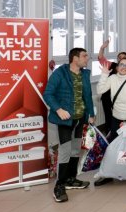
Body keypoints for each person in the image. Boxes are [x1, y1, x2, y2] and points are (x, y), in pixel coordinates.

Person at [43, 48, 95, 202]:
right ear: (74, 58)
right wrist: (58, 109)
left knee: (75, 149)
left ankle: (71, 179)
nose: (87, 58)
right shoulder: (60, 73)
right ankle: (59, 186)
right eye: (85, 56)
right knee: (65, 151)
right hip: (65, 120)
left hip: (80, 118)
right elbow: (48, 94)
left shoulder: (85, 74)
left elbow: (88, 96)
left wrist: (91, 113)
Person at [94, 59, 126, 186]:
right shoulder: (112, 78)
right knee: (111, 145)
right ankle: (108, 173)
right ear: (117, 67)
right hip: (116, 117)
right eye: (121, 65)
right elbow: (100, 90)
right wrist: (104, 74)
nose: (124, 67)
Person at [97, 39, 126, 133]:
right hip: (107, 96)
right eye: (119, 57)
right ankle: (109, 134)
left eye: (124, 57)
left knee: (120, 118)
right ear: (117, 59)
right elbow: (100, 58)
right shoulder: (111, 65)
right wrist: (102, 48)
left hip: (121, 98)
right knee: (108, 116)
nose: (121, 59)